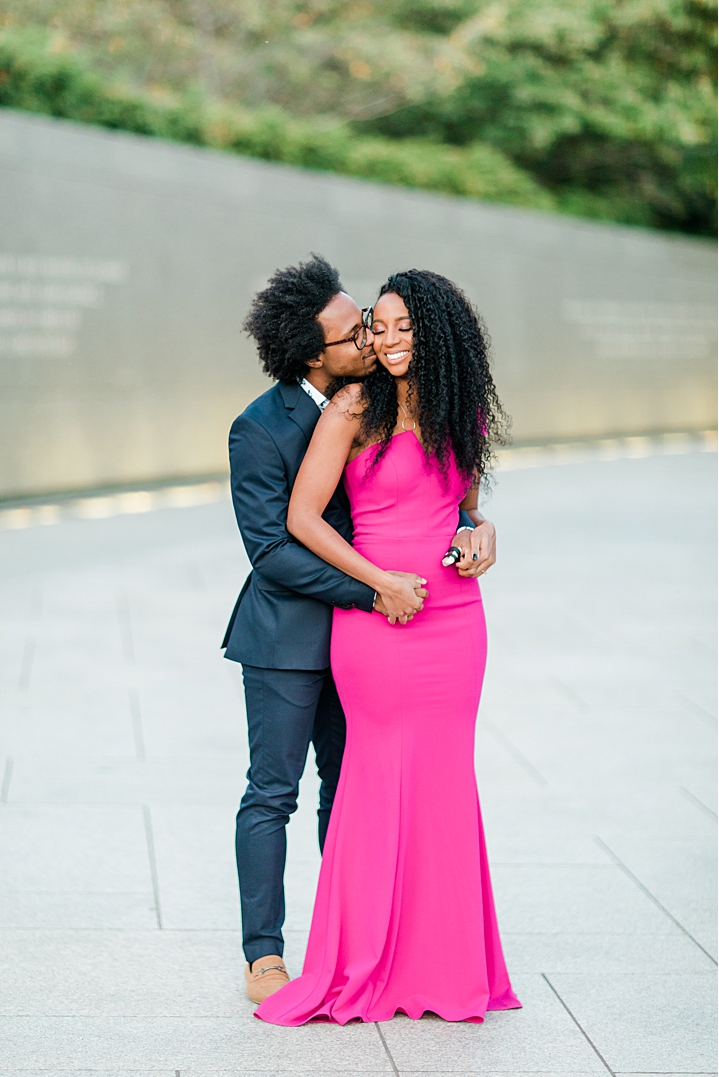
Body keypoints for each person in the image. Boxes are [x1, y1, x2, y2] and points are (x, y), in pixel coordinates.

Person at [254, 269, 519, 1024]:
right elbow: (305, 518)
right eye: (382, 324)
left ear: (436, 333)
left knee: (443, 781)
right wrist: (377, 583)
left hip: (455, 618)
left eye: (406, 326)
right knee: (373, 779)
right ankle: (364, 959)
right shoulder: (352, 406)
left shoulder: (458, 412)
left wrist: (483, 532)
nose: (391, 338)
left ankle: (444, 963)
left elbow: (465, 508)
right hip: (377, 619)